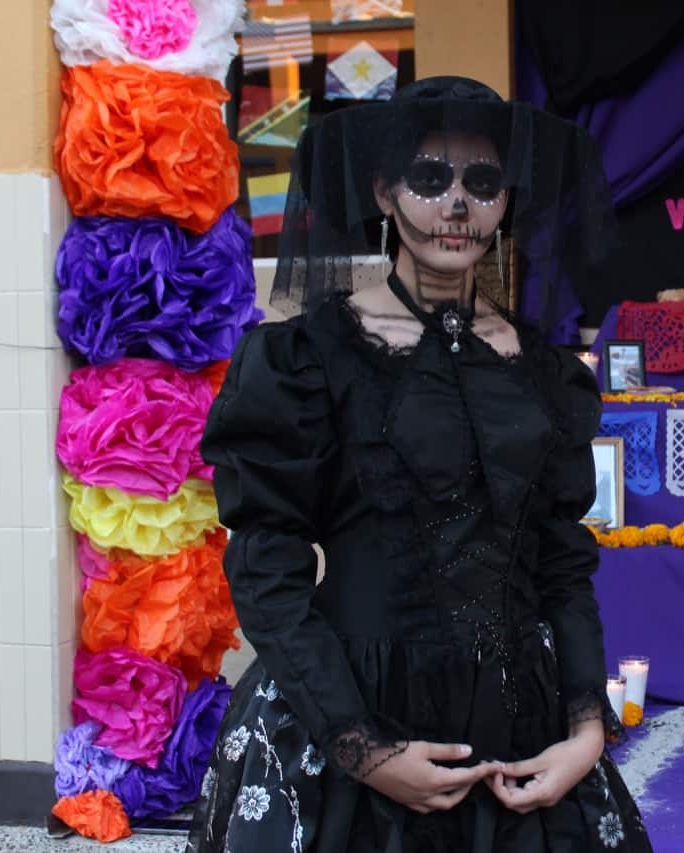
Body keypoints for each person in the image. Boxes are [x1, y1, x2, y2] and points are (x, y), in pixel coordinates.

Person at [187, 77, 650, 852]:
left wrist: (585, 731)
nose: (457, 204)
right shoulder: (311, 358)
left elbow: (564, 564)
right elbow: (266, 562)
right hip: (352, 723)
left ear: (507, 199)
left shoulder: (542, 371)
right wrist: (360, 747)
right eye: (430, 178)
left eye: (481, 181)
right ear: (384, 190)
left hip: (520, 738)